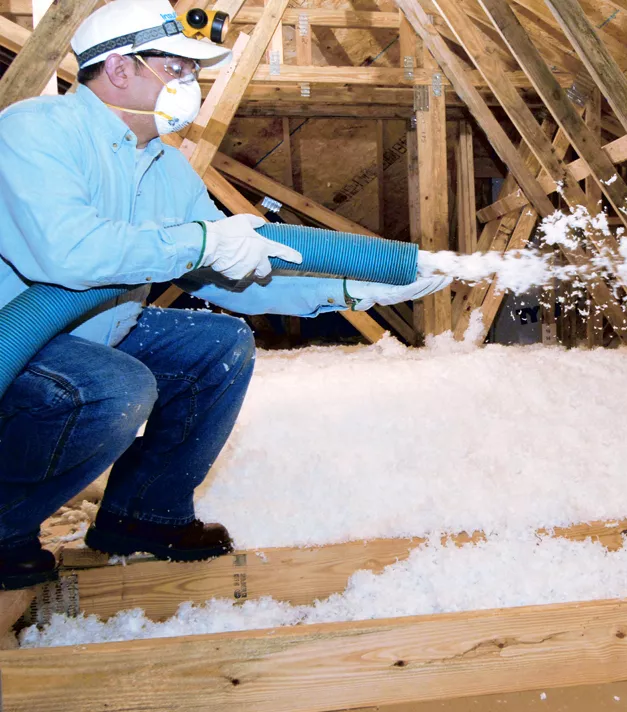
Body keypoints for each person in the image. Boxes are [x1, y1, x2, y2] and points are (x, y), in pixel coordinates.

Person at [0, 0, 449, 590]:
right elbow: (72, 256)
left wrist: (346, 288)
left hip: (96, 327)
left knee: (218, 344)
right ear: (118, 69)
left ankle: (144, 516)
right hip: (19, 338)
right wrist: (201, 240)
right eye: (177, 68)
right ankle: (6, 527)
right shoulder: (34, 130)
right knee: (115, 386)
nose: (190, 84)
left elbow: (228, 267)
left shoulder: (163, 165)